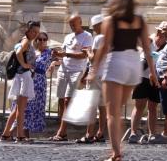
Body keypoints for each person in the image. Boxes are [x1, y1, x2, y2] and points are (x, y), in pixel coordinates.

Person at [88, 0, 158, 161]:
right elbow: (147, 49)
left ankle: (116, 153)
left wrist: (93, 70)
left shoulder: (111, 20)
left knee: (113, 113)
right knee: (118, 109)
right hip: (133, 64)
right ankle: (117, 148)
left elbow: (104, 47)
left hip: (116, 62)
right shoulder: (139, 20)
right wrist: (153, 73)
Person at [51, 14, 93, 142]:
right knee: (61, 100)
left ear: (80, 22)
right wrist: (57, 56)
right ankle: (62, 131)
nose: (72, 26)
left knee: (67, 100)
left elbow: (84, 55)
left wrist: (66, 54)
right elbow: (63, 53)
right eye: (70, 24)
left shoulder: (87, 36)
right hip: (63, 69)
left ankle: (61, 131)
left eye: (74, 24)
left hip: (76, 70)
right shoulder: (68, 36)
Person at [1, 20, 41, 142]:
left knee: (16, 108)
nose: (35, 34)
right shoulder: (26, 41)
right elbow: (18, 53)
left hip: (20, 76)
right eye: (33, 31)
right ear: (27, 30)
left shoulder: (22, 40)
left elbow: (18, 52)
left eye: (37, 32)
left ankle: (6, 134)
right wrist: (25, 64)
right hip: (24, 76)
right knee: (21, 108)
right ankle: (20, 135)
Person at [128, 25, 167, 143]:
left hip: (156, 79)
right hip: (143, 77)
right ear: (158, 33)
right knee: (139, 105)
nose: (163, 36)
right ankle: (133, 133)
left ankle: (152, 134)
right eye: (162, 33)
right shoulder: (149, 41)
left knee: (153, 107)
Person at [76, 15, 108, 144]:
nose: (93, 29)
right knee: (103, 106)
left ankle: (89, 134)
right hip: (105, 75)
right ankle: (100, 133)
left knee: (92, 106)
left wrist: (88, 52)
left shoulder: (99, 38)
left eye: (94, 27)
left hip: (96, 74)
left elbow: (93, 59)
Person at [22, 31, 53, 138]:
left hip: (40, 83)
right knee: (27, 106)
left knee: (35, 106)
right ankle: (23, 132)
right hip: (30, 80)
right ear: (36, 40)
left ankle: (26, 133)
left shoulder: (49, 52)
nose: (42, 41)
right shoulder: (32, 52)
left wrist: (53, 63)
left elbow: (60, 58)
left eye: (45, 39)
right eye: (40, 39)